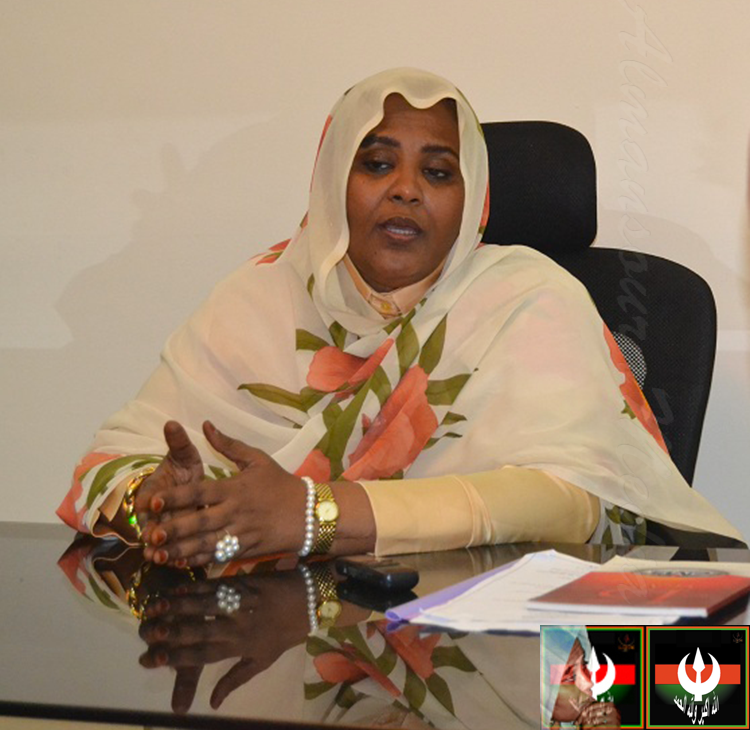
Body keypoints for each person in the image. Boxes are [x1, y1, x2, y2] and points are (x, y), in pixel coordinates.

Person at [58, 68, 742, 567]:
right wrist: (160, 503)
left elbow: (581, 501)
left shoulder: (529, 300)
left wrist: (320, 514)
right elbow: (115, 457)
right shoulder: (261, 295)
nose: (406, 190)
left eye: (438, 173)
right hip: (276, 642)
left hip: (493, 651)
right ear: (333, 182)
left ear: (472, 198)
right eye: (377, 163)